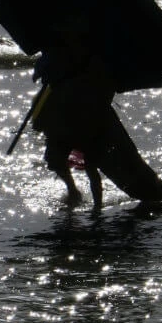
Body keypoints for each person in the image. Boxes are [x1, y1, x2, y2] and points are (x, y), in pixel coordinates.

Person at [30, 33, 116, 209]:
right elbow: (38, 75)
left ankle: (97, 206)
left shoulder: (94, 56)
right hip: (61, 114)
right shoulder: (56, 54)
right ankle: (73, 190)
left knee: (91, 164)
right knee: (55, 159)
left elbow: (106, 84)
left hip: (87, 114)